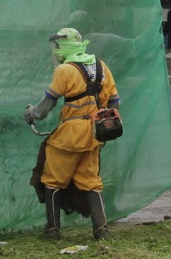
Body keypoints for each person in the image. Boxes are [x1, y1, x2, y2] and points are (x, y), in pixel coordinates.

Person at [24, 28, 120, 241]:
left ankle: (52, 231)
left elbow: (46, 106)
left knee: (52, 180)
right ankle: (101, 231)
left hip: (69, 136)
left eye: (57, 46)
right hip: (95, 134)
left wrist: (31, 113)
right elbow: (114, 102)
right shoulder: (101, 66)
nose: (56, 51)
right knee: (91, 181)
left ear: (65, 46)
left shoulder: (65, 70)